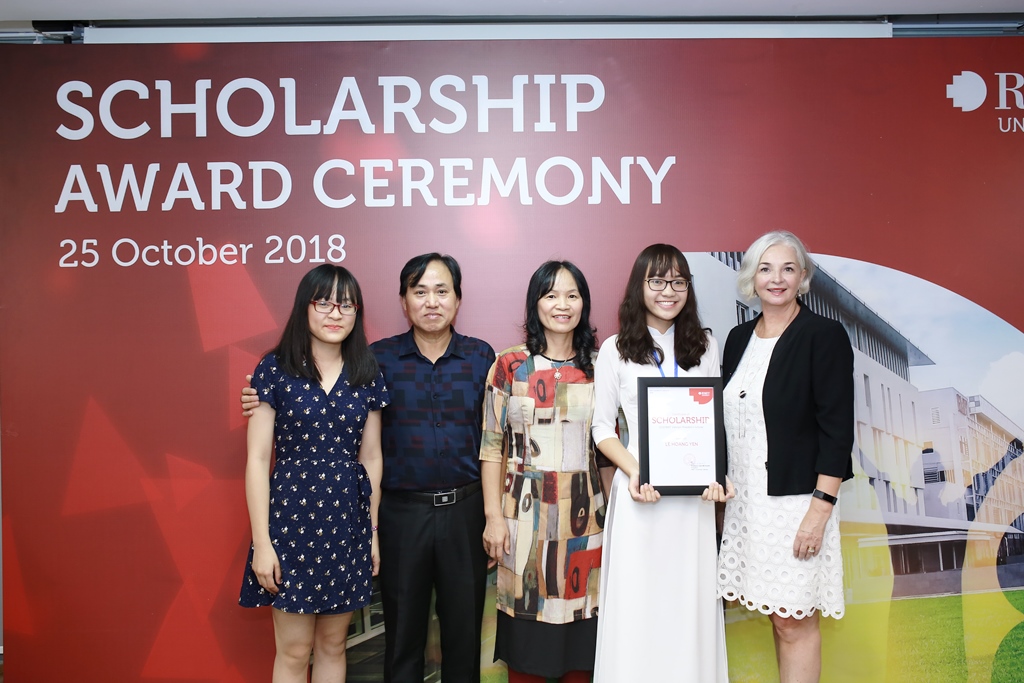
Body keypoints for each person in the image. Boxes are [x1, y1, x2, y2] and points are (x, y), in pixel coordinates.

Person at [243, 253, 494, 683]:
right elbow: (264, 456)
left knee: (457, 636)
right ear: (403, 301)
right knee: (391, 638)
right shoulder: (374, 361)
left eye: (441, 291)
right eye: (419, 292)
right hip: (378, 515)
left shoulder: (477, 358)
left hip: (447, 513)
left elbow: (493, 440)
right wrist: (259, 399)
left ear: (457, 299)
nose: (431, 301)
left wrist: (492, 516)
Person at [238, 264, 388, 683]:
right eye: (324, 302)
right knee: (293, 650)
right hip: (289, 525)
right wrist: (261, 543)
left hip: (347, 525)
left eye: (346, 304)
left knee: (332, 646)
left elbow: (372, 457)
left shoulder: (367, 373)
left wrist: (371, 531)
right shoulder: (276, 369)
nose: (335, 313)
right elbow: (256, 460)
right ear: (305, 307)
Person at [716, 230, 854, 683]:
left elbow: (837, 433)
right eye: (766, 268)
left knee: (795, 620)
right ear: (751, 278)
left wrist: (819, 511)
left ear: (803, 278)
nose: (777, 279)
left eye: (788, 269)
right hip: (748, 504)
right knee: (779, 618)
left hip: (797, 504)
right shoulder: (737, 339)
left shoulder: (824, 335)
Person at [591, 244, 731, 683]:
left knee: (689, 602)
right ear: (639, 286)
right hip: (640, 495)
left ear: (688, 287)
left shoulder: (705, 345)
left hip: (692, 502)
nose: (668, 291)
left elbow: (714, 420)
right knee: (639, 603)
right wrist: (636, 472)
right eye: (657, 281)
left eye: (678, 281)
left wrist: (717, 476)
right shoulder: (615, 349)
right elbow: (601, 430)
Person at [480, 261, 604, 683]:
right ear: (536, 303)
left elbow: (608, 451)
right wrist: (494, 518)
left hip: (585, 524)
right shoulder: (509, 365)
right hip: (523, 523)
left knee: (582, 651)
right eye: (551, 295)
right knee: (528, 652)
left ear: (584, 303)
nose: (562, 305)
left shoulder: (601, 366)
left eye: (572, 295)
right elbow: (491, 447)